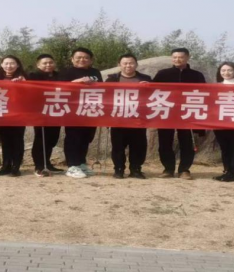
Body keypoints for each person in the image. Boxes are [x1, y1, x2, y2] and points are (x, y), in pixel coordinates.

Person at [152, 47, 207, 180]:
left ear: (187, 58)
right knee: (165, 142)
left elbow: (205, 93)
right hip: (167, 112)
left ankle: (184, 169)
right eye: (175, 57)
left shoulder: (197, 75)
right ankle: (168, 169)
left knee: (187, 142)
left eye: (181, 57)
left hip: (187, 112)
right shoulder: (163, 74)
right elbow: (152, 90)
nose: (177, 60)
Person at [105, 53, 152, 179]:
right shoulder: (112, 79)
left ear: (136, 64)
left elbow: (154, 96)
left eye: (131, 63)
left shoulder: (146, 79)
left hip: (138, 118)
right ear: (119, 65)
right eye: (125, 63)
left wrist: (149, 87)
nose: (128, 66)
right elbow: (105, 96)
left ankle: (136, 169)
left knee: (138, 145)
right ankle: (119, 169)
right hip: (118, 118)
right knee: (118, 146)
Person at [60, 47, 103, 179]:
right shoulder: (67, 72)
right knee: (73, 137)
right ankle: (72, 165)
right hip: (73, 110)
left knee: (86, 137)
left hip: (90, 108)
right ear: (72, 59)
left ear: (91, 60)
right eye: (78, 57)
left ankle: (81, 163)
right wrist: (76, 82)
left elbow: (102, 88)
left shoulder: (95, 72)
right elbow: (59, 88)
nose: (82, 60)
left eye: (85, 57)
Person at [27, 54, 63, 176]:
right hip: (39, 111)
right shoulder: (33, 76)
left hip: (55, 110)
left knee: (52, 139)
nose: (48, 65)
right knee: (40, 138)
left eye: (51, 62)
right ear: (38, 65)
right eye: (45, 63)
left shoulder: (59, 76)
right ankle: (39, 165)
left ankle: (47, 163)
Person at [0, 55, 27, 177]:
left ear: (17, 65)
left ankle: (16, 166)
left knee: (17, 140)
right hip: (1, 114)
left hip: (19, 115)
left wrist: (23, 83)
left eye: (12, 63)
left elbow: (31, 94)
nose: (9, 66)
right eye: (6, 63)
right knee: (5, 141)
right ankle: (6, 166)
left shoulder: (24, 78)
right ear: (1, 65)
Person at [212, 62, 234, 182]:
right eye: (223, 70)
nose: (226, 73)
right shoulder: (215, 86)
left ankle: (232, 173)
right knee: (224, 147)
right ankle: (226, 171)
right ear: (219, 72)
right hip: (219, 120)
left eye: (230, 70)